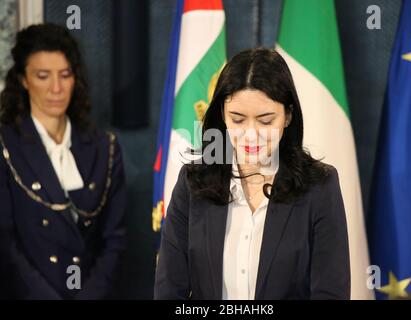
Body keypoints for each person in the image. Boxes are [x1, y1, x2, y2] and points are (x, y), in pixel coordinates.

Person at [154, 48, 350, 300]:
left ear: (288, 116)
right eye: (237, 119)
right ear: (222, 115)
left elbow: (330, 293)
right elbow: (170, 290)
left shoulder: (320, 186)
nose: (250, 134)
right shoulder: (193, 182)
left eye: (265, 121)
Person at [0, 23, 126, 299]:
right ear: (23, 79)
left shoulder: (106, 148)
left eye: (65, 75)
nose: (56, 88)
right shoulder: (5, 145)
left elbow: (114, 240)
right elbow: (6, 244)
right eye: (43, 76)